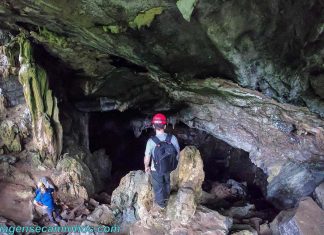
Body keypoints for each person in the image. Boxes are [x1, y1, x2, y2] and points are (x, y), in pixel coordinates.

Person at [144, 113, 180, 213]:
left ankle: (161, 205)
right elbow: (177, 153)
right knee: (167, 182)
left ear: (153, 126)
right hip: (169, 167)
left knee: (158, 187)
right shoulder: (172, 138)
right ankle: (167, 198)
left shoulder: (151, 141)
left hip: (156, 169)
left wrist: (146, 166)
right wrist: (174, 164)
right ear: (164, 126)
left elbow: (147, 157)